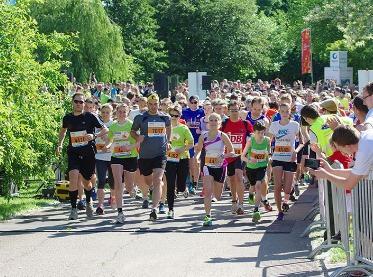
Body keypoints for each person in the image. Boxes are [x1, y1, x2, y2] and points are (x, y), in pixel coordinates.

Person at [56, 92, 108, 220]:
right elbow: (63, 131)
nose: (79, 104)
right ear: (72, 102)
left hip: (88, 152)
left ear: (84, 104)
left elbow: (105, 129)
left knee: (86, 182)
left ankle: (89, 200)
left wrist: (94, 136)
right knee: (73, 177)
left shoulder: (90, 116)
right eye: (76, 101)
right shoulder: (67, 118)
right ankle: (73, 209)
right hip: (73, 152)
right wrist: (60, 144)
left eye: (81, 102)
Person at [130, 93, 171, 221]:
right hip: (145, 155)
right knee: (148, 181)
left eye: (156, 104)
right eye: (151, 104)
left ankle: (154, 209)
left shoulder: (165, 117)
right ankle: (152, 189)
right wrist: (137, 137)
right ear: (147, 104)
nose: (153, 107)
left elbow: (169, 128)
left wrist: (168, 141)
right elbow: (132, 131)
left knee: (158, 179)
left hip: (160, 154)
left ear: (159, 104)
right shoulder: (140, 117)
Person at [194, 113, 235, 226]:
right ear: (207, 123)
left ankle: (212, 205)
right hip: (207, 166)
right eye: (210, 120)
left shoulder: (223, 135)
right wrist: (197, 158)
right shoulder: (203, 136)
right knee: (207, 192)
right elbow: (198, 150)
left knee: (217, 195)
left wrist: (223, 156)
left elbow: (232, 152)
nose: (213, 122)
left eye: (215, 120)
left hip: (220, 167)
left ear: (219, 123)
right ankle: (207, 216)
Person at [310, 125, 373, 190]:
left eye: (340, 149)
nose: (341, 153)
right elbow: (358, 173)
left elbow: (348, 185)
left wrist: (326, 175)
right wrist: (331, 171)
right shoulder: (366, 136)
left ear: (347, 146)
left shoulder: (363, 152)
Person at [268, 103, 302, 221]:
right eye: (282, 111)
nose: (284, 114)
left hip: (290, 158)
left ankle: (286, 201)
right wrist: (269, 154)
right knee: (277, 186)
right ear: (279, 112)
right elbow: (268, 140)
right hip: (277, 158)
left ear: (290, 112)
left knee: (287, 188)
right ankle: (280, 211)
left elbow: (301, 142)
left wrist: (295, 152)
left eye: (286, 111)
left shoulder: (295, 125)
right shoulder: (274, 125)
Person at [106, 104, 139, 223]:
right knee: (118, 183)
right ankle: (120, 212)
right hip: (116, 156)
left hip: (130, 156)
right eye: (119, 112)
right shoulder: (113, 126)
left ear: (128, 112)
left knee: (129, 187)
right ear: (116, 112)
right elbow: (110, 140)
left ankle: (132, 189)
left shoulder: (132, 125)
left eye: (124, 112)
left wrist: (130, 146)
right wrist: (108, 146)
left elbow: (139, 141)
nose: (121, 114)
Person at [221, 100, 253, 215]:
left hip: (241, 155)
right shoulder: (224, 124)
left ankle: (241, 204)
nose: (234, 112)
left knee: (239, 177)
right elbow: (219, 139)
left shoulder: (246, 124)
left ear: (240, 110)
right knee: (232, 179)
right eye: (232, 110)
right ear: (228, 111)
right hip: (229, 156)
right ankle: (234, 200)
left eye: (236, 110)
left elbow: (251, 139)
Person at [165, 105, 194, 219]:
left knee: (181, 185)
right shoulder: (165, 128)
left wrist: (182, 149)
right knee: (170, 184)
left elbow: (191, 143)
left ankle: (184, 188)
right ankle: (170, 209)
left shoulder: (183, 128)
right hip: (169, 159)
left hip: (182, 158)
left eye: (176, 116)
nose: (173, 117)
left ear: (179, 116)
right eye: (171, 115)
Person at [241, 121, 272, 222]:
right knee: (252, 186)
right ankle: (250, 194)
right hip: (250, 167)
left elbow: (269, 153)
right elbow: (242, 156)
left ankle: (256, 210)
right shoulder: (251, 141)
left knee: (258, 186)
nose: (260, 135)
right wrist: (250, 160)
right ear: (254, 132)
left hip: (261, 167)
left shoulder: (267, 140)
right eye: (258, 133)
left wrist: (269, 159)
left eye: (262, 132)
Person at [181, 96, 205, 194]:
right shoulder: (184, 112)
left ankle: (194, 183)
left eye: (196, 102)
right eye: (192, 102)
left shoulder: (202, 112)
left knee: (196, 162)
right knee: (189, 163)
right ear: (188, 102)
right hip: (187, 140)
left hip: (198, 140)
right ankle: (189, 183)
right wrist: (186, 125)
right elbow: (180, 123)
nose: (194, 104)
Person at [94, 104, 114, 215]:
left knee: (112, 181)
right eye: (103, 112)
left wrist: (107, 138)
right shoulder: (97, 124)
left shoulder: (114, 124)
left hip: (112, 156)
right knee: (101, 180)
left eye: (107, 112)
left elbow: (117, 139)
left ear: (111, 113)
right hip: (100, 156)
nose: (105, 114)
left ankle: (113, 196)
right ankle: (100, 205)